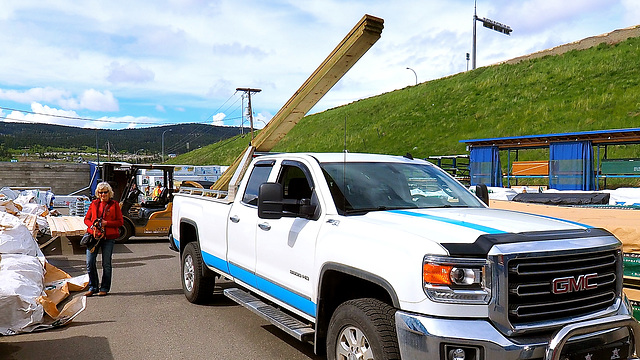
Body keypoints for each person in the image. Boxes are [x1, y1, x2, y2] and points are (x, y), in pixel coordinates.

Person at [84, 182, 124, 297]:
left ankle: (104, 288)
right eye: (100, 192)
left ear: (109, 193)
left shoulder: (114, 205)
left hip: (108, 238)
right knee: (90, 262)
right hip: (94, 237)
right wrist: (93, 229)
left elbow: (120, 222)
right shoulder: (94, 204)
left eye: (105, 192)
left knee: (106, 264)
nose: (103, 195)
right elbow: (86, 219)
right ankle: (93, 287)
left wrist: (107, 223)